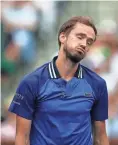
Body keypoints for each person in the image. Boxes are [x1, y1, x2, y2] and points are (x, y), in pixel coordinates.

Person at [8, 16, 109, 145]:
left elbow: (101, 138)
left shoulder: (97, 84)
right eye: (80, 37)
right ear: (62, 37)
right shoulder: (31, 82)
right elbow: (22, 137)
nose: (84, 44)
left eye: (89, 42)